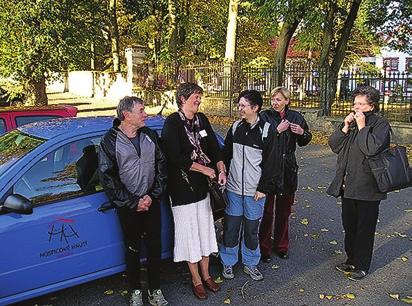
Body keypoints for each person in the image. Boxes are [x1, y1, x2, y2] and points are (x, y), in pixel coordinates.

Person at [98, 96, 168, 306]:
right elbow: (107, 178)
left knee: (155, 247)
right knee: (133, 249)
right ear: (126, 115)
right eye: (141, 110)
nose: (145, 114)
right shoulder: (109, 141)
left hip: (151, 202)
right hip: (128, 208)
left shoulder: (149, 135)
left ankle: (155, 290)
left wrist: (152, 196)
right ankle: (135, 291)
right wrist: (132, 202)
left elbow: (162, 167)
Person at [161, 83, 226, 300]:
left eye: (200, 96)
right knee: (189, 235)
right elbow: (175, 157)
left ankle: (207, 275)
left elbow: (215, 148)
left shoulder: (202, 120)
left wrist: (220, 168)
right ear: (182, 99)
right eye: (195, 97)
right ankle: (196, 279)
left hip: (203, 188)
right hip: (182, 189)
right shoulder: (172, 123)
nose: (199, 100)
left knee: (205, 231)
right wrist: (204, 168)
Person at [327, 86, 390, 281]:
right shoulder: (352, 122)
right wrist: (345, 127)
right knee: (350, 225)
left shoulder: (381, 124)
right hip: (348, 184)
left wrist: (362, 127)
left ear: (372, 105)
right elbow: (335, 146)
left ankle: (362, 265)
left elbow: (371, 148)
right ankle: (351, 259)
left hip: (368, 186)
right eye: (355, 103)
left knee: (365, 228)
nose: (357, 107)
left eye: (361, 104)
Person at [220, 90, 278, 281]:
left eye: (243, 106)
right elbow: (226, 154)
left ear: (255, 108)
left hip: (255, 192)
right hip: (234, 190)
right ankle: (228, 262)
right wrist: (222, 172)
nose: (240, 109)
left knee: (251, 229)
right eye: (239, 105)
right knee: (231, 227)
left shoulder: (268, 130)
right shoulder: (236, 126)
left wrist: (263, 188)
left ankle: (250, 263)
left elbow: (272, 164)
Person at [258, 87, 312, 262]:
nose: (275, 102)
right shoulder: (264, 116)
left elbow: (305, 139)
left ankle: (281, 246)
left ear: (287, 101)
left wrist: (302, 133)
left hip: (287, 170)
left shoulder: (295, 117)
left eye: (279, 99)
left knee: (284, 212)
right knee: (266, 212)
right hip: (268, 170)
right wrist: (277, 131)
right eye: (273, 99)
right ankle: (263, 247)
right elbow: (259, 140)